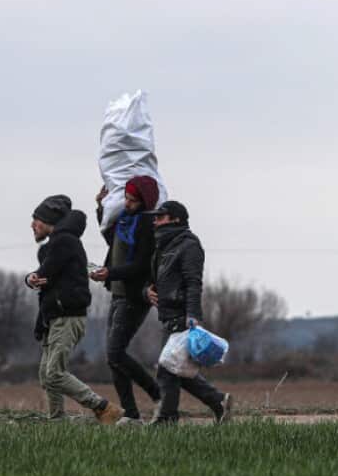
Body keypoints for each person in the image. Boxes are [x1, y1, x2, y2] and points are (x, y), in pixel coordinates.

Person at [25, 194, 124, 425]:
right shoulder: (56, 245)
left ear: (49, 220)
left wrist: (33, 277)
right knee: (46, 375)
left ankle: (104, 408)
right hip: (54, 319)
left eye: (36, 219)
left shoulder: (64, 242)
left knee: (54, 374)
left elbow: (44, 273)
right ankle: (57, 419)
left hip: (67, 318)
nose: (32, 225)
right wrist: (31, 280)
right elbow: (45, 282)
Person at [145, 200, 233, 424]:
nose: (155, 221)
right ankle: (218, 402)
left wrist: (192, 315)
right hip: (167, 314)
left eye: (160, 217)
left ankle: (167, 420)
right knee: (175, 367)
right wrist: (147, 291)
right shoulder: (164, 246)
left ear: (176, 219)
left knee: (168, 368)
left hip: (182, 315)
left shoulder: (189, 245)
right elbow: (155, 278)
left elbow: (194, 282)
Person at [90, 177, 162, 421]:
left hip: (134, 296)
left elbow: (140, 266)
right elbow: (112, 239)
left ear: (144, 202)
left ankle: (158, 394)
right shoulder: (125, 220)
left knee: (115, 353)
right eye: (126, 198)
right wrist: (101, 208)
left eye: (132, 200)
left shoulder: (147, 225)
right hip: (117, 292)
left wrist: (110, 273)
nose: (127, 203)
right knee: (113, 359)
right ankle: (131, 414)